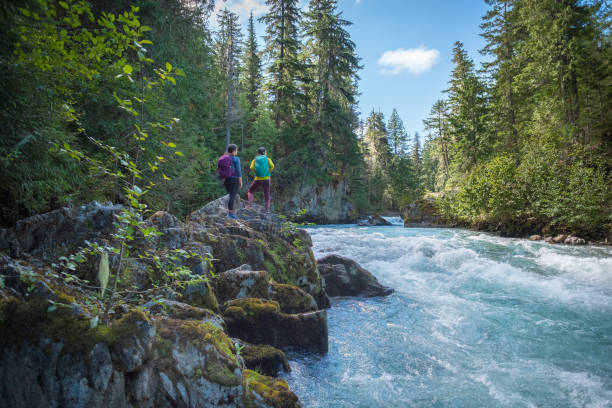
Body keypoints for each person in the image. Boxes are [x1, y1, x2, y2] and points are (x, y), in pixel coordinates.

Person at [248, 147, 274, 211]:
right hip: (267, 178)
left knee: (250, 191)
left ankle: (250, 205)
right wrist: (268, 171)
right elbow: (272, 166)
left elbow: (251, 167)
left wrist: (256, 172)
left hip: (258, 178)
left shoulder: (255, 159)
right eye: (266, 152)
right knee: (267, 193)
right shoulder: (268, 159)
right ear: (264, 152)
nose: (266, 153)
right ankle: (267, 209)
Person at [222, 144, 242, 219]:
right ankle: (230, 214)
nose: (237, 151)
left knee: (230, 196)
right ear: (233, 151)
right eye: (236, 150)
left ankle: (229, 212)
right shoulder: (236, 159)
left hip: (227, 180)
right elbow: (238, 171)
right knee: (232, 197)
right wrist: (240, 181)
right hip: (234, 179)